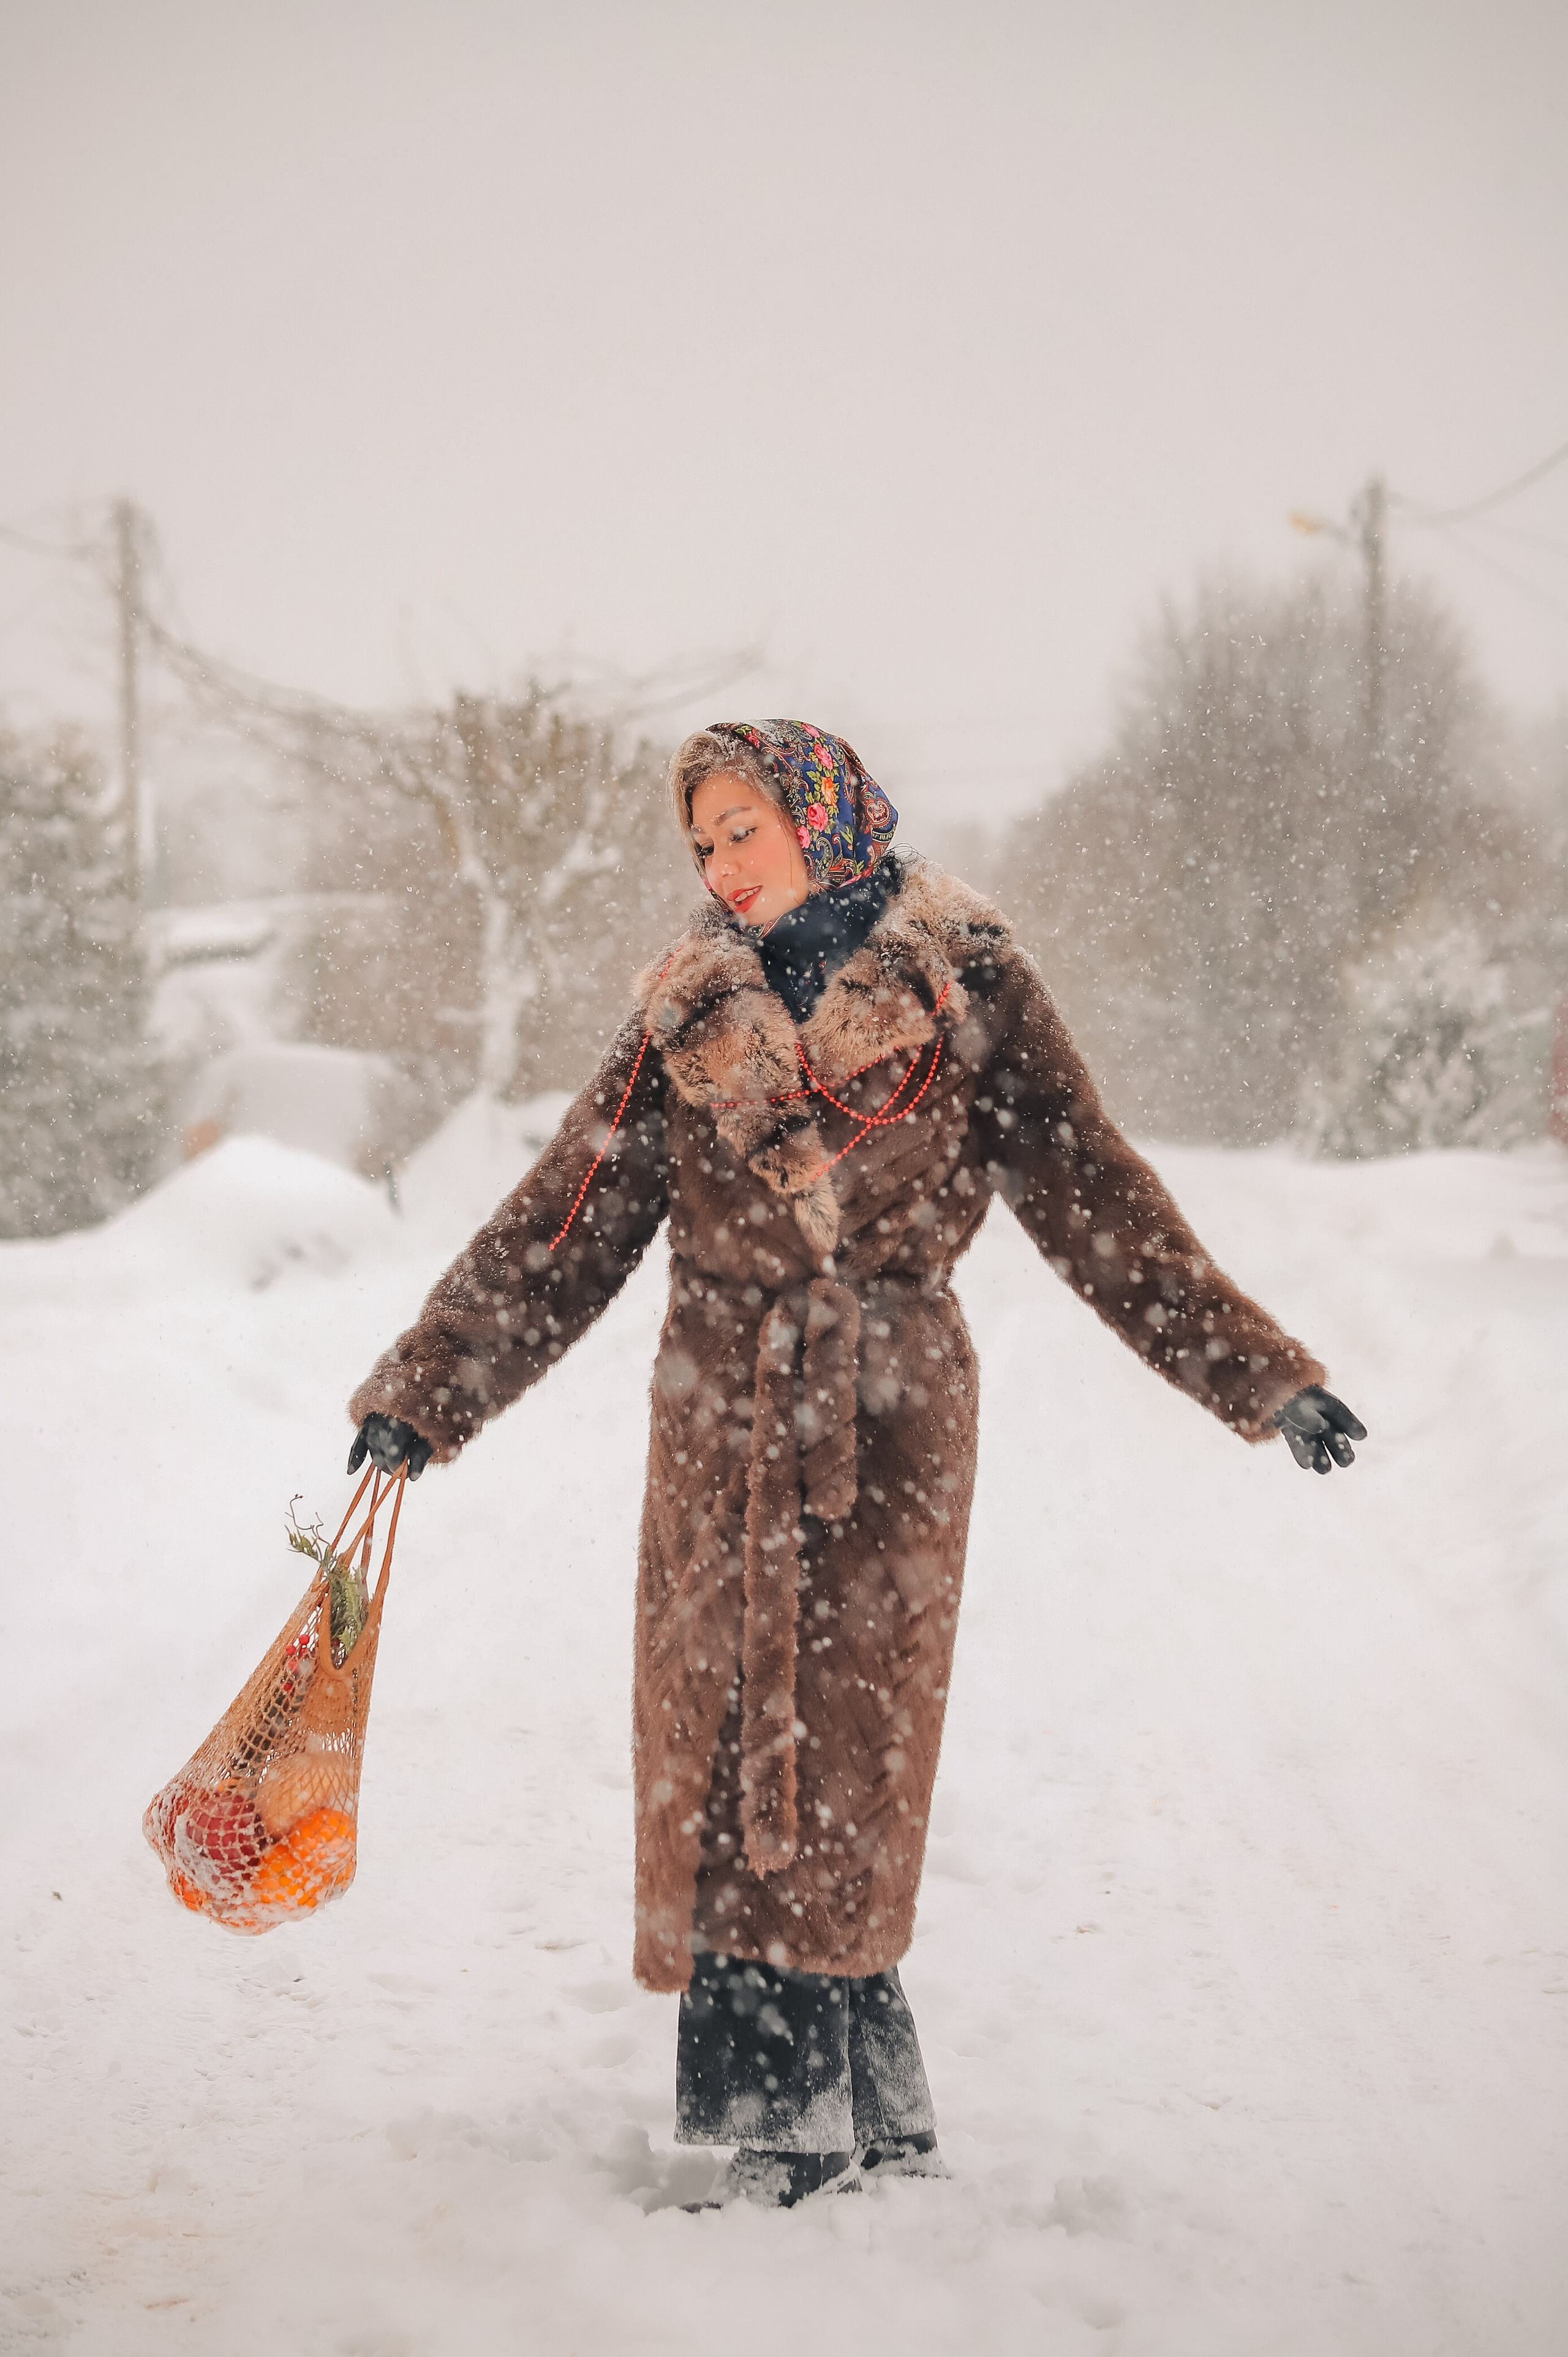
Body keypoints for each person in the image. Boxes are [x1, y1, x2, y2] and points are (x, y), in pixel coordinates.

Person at [347, 719, 1365, 2209]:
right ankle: (847, 2109)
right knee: (730, 1753)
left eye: (741, 828)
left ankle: (799, 2136)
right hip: (717, 1418)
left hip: (885, 1423)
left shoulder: (964, 985)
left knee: (843, 1767)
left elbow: (1095, 1197)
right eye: (699, 843)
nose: (720, 865)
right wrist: (428, 1391)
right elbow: (561, 1219)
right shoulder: (684, 1015)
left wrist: (1259, 1373)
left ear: (822, 818)